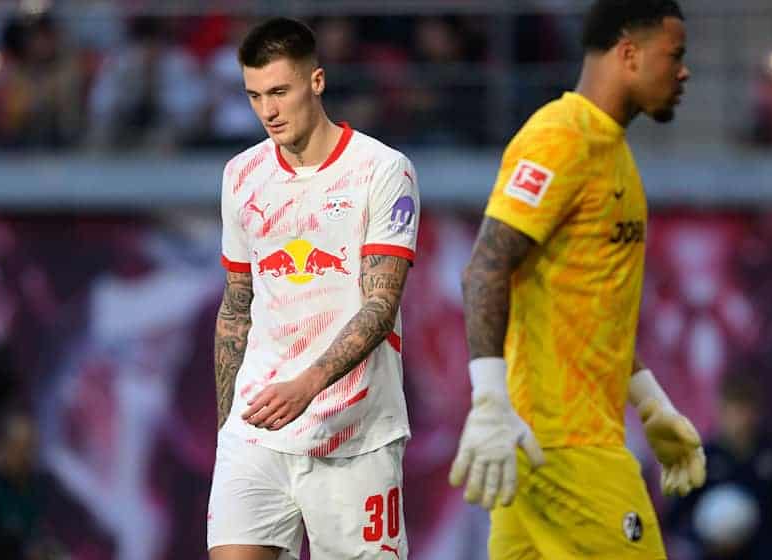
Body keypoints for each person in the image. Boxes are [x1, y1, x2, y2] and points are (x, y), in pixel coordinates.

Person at [448, 1, 705, 558]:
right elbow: (486, 267)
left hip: (544, 448)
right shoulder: (561, 138)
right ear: (629, 54)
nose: (684, 72)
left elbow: (588, 307)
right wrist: (489, 402)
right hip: (570, 449)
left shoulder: (614, 154)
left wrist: (651, 402)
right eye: (675, 56)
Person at [208, 17, 420, 560]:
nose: (268, 112)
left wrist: (308, 385)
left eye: (279, 91)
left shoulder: (382, 170)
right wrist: (227, 426)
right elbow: (237, 306)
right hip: (257, 435)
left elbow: (380, 304)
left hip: (355, 437)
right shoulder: (241, 175)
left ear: (317, 81)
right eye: (254, 96)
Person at [667, 372, 772, 560]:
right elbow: (676, 517)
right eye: (734, 411)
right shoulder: (704, 458)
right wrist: (705, 538)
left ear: (756, 412)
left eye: (746, 411)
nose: (741, 420)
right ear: (721, 412)